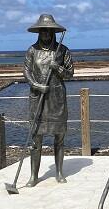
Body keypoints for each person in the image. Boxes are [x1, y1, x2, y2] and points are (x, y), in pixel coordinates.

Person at [23, 13, 74, 185]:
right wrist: (37, 86)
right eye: (43, 31)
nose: (46, 34)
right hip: (38, 98)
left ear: (53, 33)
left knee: (59, 137)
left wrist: (57, 67)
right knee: (36, 139)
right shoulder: (32, 50)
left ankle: (59, 172)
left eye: (49, 31)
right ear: (39, 32)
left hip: (57, 99)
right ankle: (33, 176)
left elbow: (70, 74)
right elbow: (26, 72)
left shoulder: (63, 50)